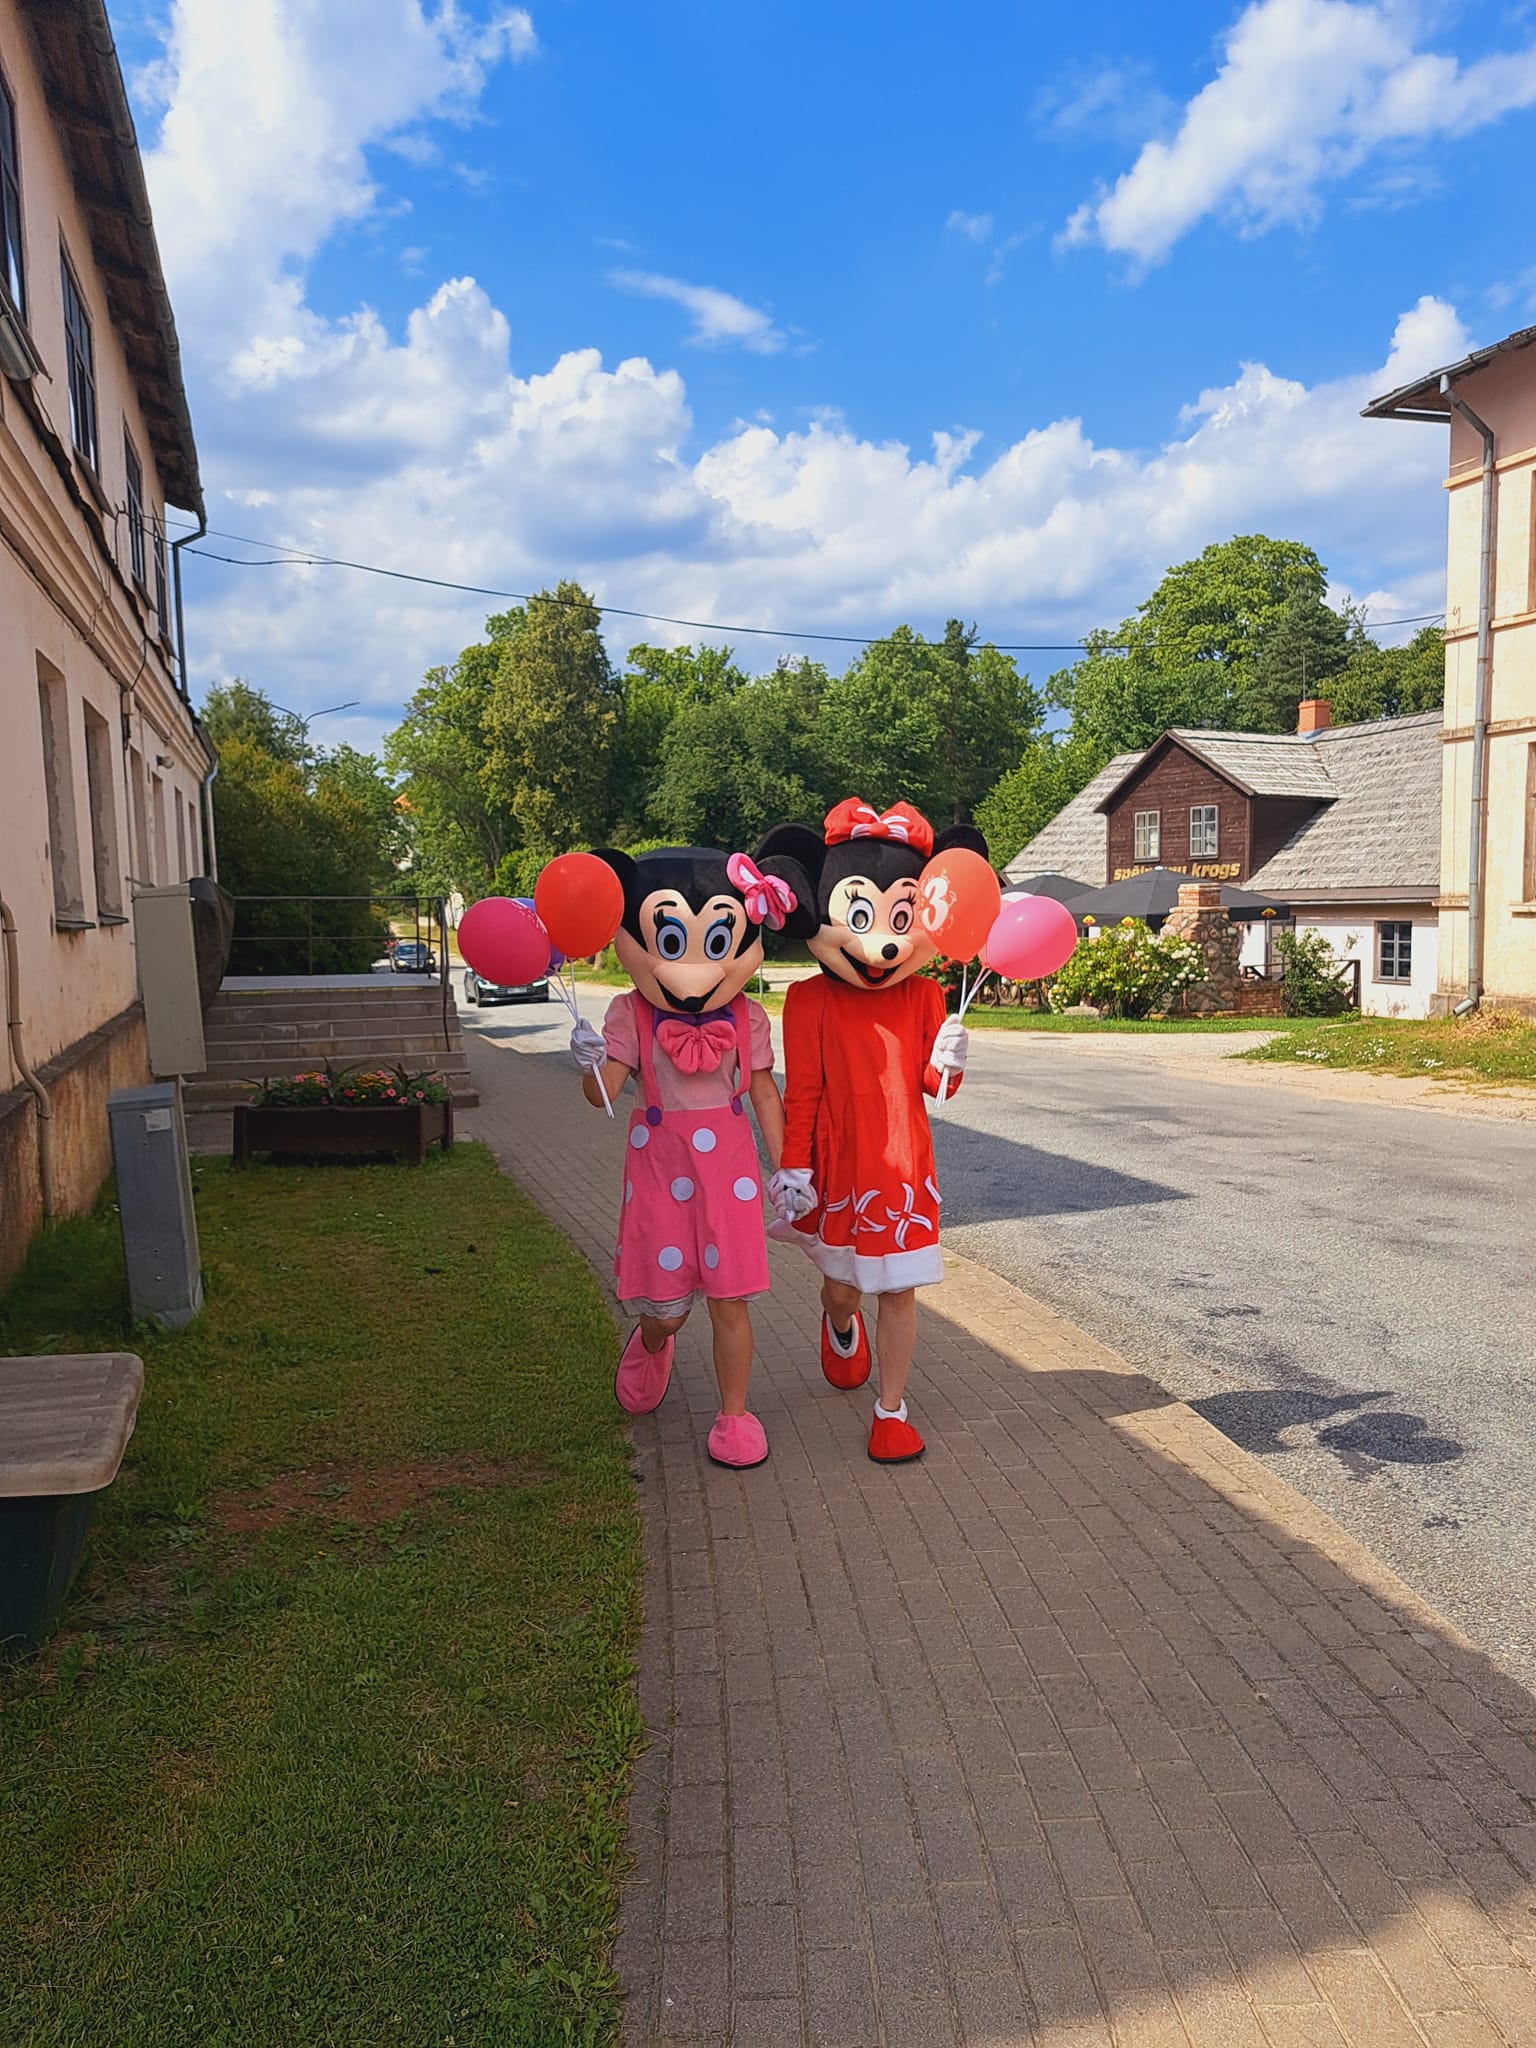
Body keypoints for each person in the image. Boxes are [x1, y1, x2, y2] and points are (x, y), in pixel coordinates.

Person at [755, 800, 984, 1463]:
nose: (883, 943)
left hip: (904, 1168)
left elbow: (935, 1088)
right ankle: (838, 1321)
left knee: (900, 1290)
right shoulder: (809, 1000)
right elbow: (803, 1091)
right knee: (844, 1286)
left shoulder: (924, 996)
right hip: (839, 1166)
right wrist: (793, 1165)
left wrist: (950, 1063)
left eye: (901, 919)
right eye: (861, 917)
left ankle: (892, 1409)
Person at [567, 844, 808, 1469]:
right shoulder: (630, 1012)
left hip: (730, 1178)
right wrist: (590, 1063)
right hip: (659, 1176)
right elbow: (603, 1095)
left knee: (732, 1300)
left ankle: (734, 1415)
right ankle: (653, 1343)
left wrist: (788, 1166)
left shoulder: (749, 1017)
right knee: (667, 1312)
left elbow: (763, 1093)